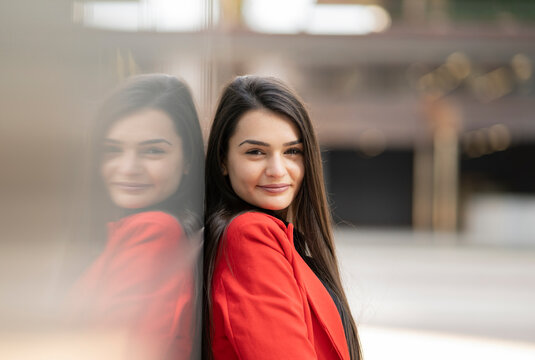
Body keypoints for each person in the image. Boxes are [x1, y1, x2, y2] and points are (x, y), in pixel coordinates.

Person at [203, 75, 362, 360]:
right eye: (255, 152)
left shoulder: (280, 237)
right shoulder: (249, 236)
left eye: (292, 151)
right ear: (223, 161)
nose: (278, 169)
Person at [69, 74, 204, 360]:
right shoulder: (160, 230)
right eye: (112, 150)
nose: (129, 168)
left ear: (188, 160)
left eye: (153, 151)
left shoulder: (155, 230)